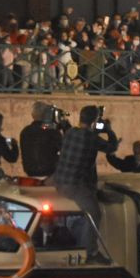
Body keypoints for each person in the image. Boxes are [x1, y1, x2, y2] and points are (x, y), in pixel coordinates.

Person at [50, 105, 120, 263]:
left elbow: (84, 140)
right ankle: (90, 252)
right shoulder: (92, 138)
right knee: (94, 213)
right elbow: (112, 147)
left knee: (91, 188)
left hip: (59, 180)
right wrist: (109, 130)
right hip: (73, 186)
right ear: (95, 120)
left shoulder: (70, 133)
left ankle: (96, 194)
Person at [19, 101, 64, 178]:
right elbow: (64, 149)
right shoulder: (52, 131)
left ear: (33, 115)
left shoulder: (25, 131)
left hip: (30, 172)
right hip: (49, 172)